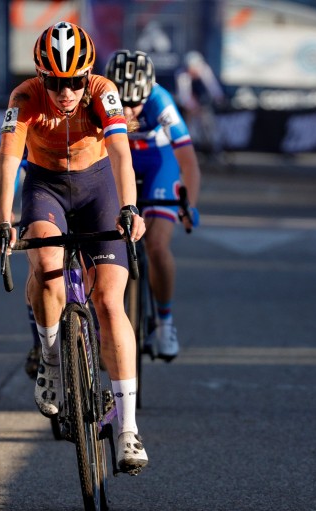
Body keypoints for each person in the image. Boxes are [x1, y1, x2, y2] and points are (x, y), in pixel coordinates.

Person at [0, 21, 148, 473]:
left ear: (86, 75)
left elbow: (119, 152)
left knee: (109, 303)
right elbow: (7, 163)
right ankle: (53, 360)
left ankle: (128, 430)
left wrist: (130, 208)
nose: (66, 91)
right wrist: (1, 222)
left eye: (74, 81)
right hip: (46, 188)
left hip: (98, 189)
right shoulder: (23, 99)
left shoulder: (102, 90)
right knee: (44, 258)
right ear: (42, 78)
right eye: (55, 82)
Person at [104, 49, 200, 360]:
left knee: (157, 245)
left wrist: (190, 205)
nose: (129, 111)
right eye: (123, 103)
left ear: (149, 92)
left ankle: (164, 323)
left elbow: (188, 162)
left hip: (158, 161)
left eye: (136, 103)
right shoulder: (101, 95)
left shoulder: (161, 101)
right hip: (118, 158)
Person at [175, 50, 224, 156]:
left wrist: (219, 99)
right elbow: (183, 95)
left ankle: (214, 150)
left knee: (209, 125)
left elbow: (213, 88)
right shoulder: (182, 74)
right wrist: (193, 107)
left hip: (205, 104)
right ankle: (191, 150)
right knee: (190, 127)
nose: (193, 70)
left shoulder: (205, 70)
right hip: (190, 108)